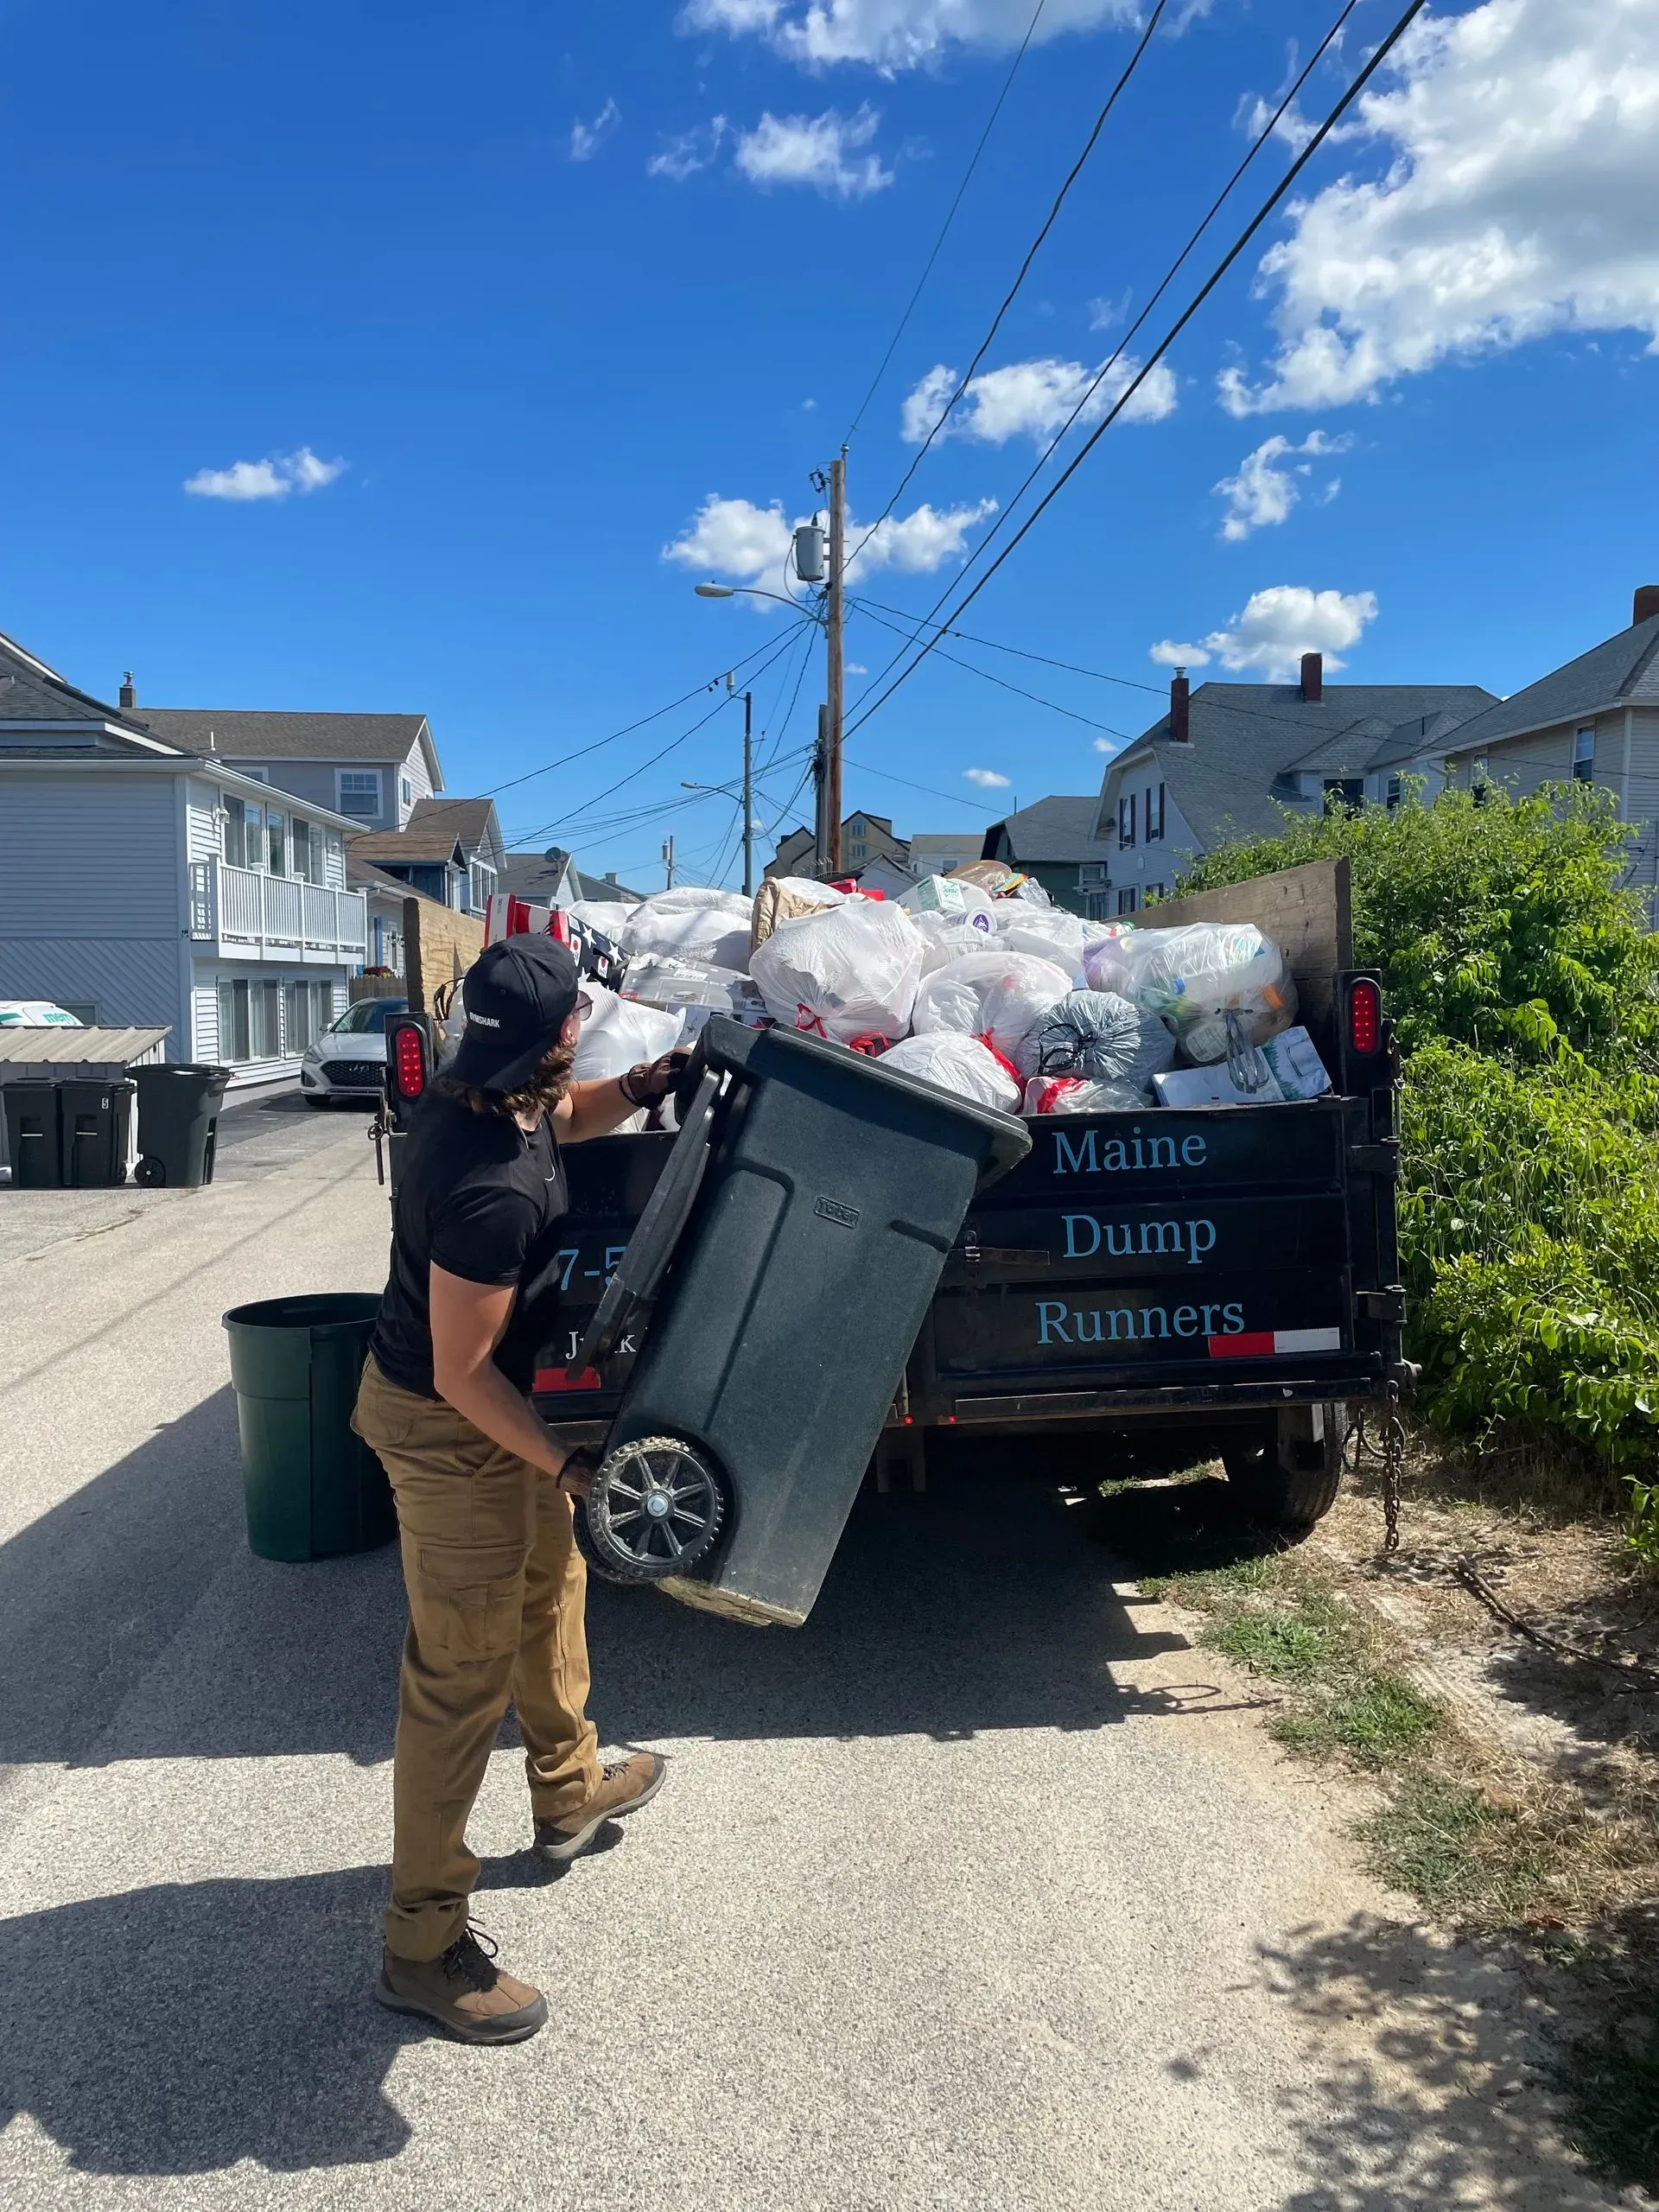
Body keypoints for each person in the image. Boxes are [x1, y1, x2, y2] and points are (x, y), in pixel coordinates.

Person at [353, 934, 685, 2044]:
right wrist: (566, 1459)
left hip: (487, 1414)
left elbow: (566, 1115)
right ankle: (421, 1942)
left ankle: (567, 1788)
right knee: (458, 1675)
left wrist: (642, 1088)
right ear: (557, 1035)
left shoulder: (494, 1096)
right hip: (449, 1429)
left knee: (554, 1578)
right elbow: (459, 1370)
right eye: (580, 1030)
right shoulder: (487, 1181)